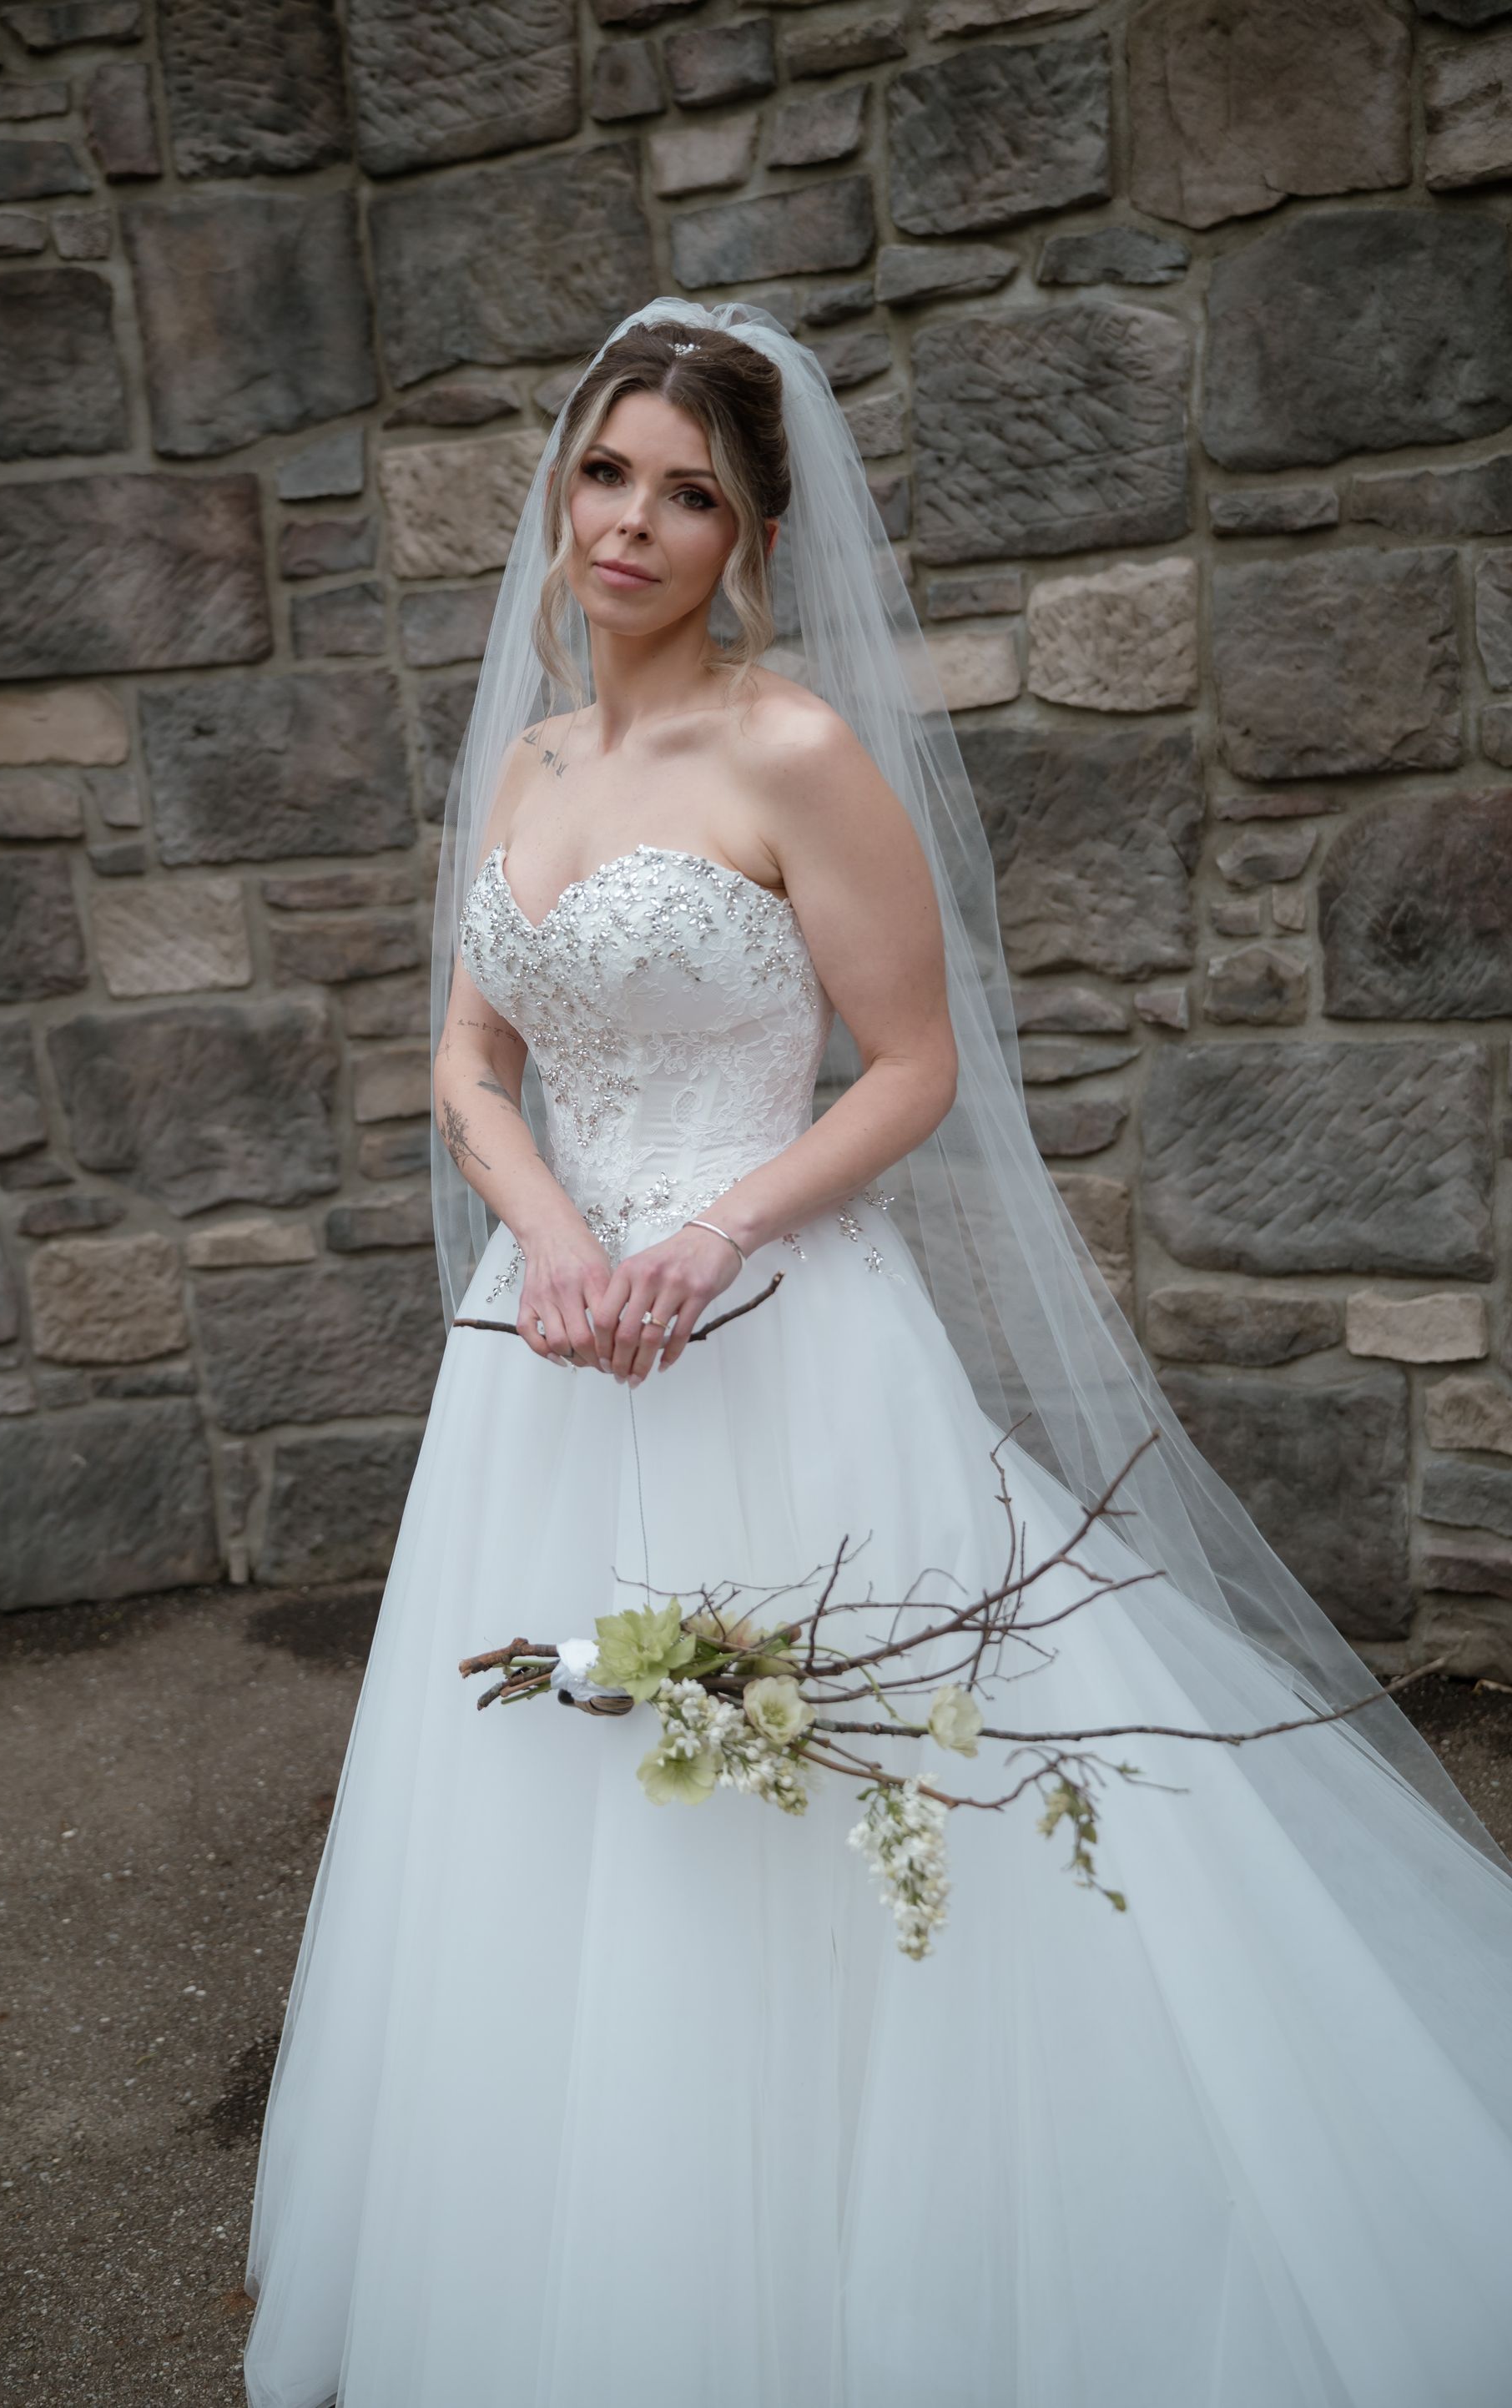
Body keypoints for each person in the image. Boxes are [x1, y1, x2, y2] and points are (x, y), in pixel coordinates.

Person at [242, 299, 1512, 2408]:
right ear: (561, 495)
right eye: (604, 473)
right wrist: (554, 1241)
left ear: (750, 539)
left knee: (836, 1798)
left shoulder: (795, 752)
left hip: (773, 1336)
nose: (630, 522)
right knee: (548, 1812)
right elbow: (467, 1060)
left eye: (687, 496)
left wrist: (708, 1236)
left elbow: (913, 1065)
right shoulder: (534, 763)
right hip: (547, 1352)